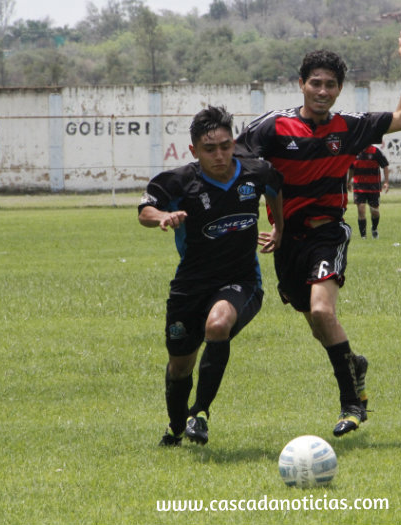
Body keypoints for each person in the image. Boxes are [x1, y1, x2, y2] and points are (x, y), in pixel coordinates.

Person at [234, 30, 401, 437]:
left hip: (328, 233)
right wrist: (260, 218)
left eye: (330, 84)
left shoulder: (350, 128)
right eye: (315, 83)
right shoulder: (273, 127)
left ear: (339, 89)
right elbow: (232, 160)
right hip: (287, 242)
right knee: (316, 323)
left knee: (323, 312)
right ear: (301, 84)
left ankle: (353, 404)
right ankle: (352, 362)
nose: (322, 90)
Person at [138, 105, 284, 447]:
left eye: (225, 146)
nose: (219, 155)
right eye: (209, 149)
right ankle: (176, 426)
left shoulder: (257, 172)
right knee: (179, 367)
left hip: (241, 281)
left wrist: (278, 228)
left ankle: (199, 412)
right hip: (190, 287)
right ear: (193, 151)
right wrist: (162, 216)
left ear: (233, 143)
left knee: (218, 325)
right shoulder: (178, 181)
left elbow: (276, 191)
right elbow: (144, 210)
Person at [347, 145, 390, 239]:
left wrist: (386, 182)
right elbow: (351, 168)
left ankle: (374, 228)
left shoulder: (375, 151)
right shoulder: (355, 151)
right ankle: (363, 236)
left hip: (373, 187)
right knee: (361, 209)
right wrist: (349, 181)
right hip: (359, 186)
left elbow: (385, 165)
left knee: (374, 212)